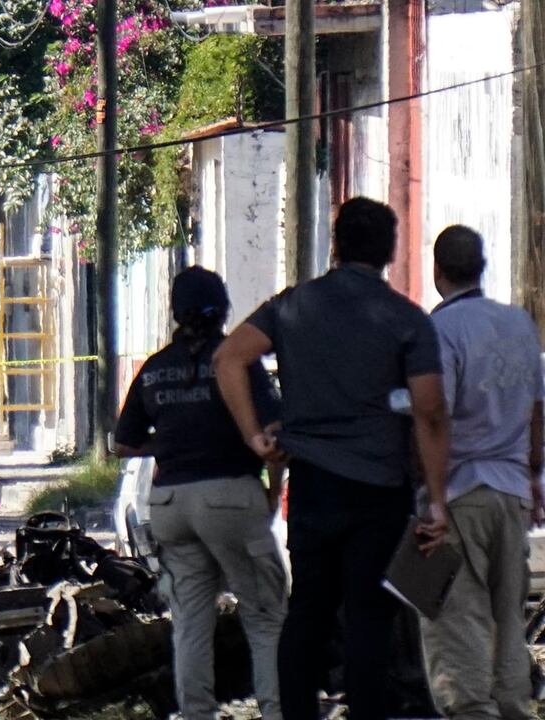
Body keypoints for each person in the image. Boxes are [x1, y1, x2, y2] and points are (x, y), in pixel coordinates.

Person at [213, 197, 451, 720]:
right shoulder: (407, 320)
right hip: (380, 489)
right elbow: (431, 413)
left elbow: (228, 357)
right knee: (369, 617)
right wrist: (437, 500)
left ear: (335, 244)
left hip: (314, 486)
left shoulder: (292, 305)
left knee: (309, 613)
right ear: (390, 252)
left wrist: (255, 437)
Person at [113, 267, 287, 720]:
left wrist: (166, 445)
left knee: (190, 621)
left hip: (170, 503)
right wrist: (274, 489)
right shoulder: (238, 364)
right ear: (224, 309)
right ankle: (276, 712)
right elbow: (274, 433)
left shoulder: (154, 369)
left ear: (175, 312)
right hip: (230, 497)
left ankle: (195, 714)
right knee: (265, 616)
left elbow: (122, 443)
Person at [419, 225, 542, 719]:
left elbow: (433, 414)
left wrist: (432, 499)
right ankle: (515, 708)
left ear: (437, 271)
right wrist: (533, 478)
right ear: (482, 266)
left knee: (458, 621)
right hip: (512, 492)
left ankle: (474, 713)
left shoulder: (440, 329)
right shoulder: (518, 324)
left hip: (459, 492)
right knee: (508, 620)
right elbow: (536, 409)